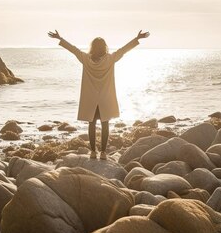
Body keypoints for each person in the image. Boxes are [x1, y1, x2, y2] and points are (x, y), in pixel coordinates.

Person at [48, 29, 150, 159]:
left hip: (90, 98)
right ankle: (103, 153)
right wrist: (137, 39)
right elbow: (123, 50)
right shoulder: (110, 59)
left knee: (92, 124)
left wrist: (60, 38)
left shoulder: (85, 59)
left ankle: (92, 152)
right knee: (105, 124)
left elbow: (73, 49)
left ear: (92, 48)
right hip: (105, 98)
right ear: (104, 47)